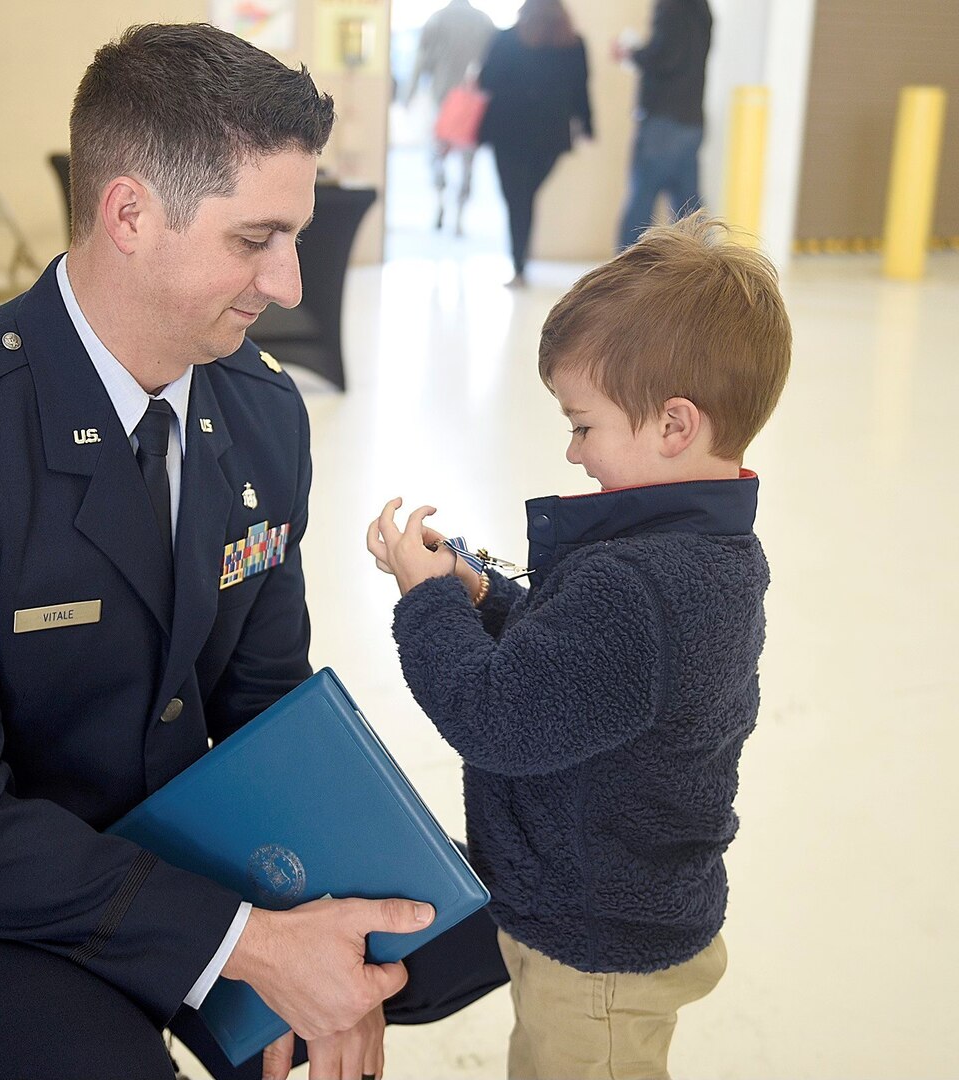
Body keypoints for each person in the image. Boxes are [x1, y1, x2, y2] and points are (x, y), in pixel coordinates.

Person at [0, 23, 506, 1080]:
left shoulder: (262, 415)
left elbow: (264, 705)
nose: (291, 284)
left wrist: (333, 959)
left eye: (296, 237)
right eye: (254, 240)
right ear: (129, 214)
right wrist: (256, 947)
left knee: (473, 933)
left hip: (155, 830)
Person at [367, 213, 791, 1079]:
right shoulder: (707, 553)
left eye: (584, 423)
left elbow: (499, 715)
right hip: (617, 912)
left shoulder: (636, 584)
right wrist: (481, 593)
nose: (572, 448)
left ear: (675, 425)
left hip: (595, 954)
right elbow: (577, 669)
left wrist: (425, 603)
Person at [477, 0, 593, 286]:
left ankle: (519, 265)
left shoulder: (507, 39)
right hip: (549, 138)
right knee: (525, 197)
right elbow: (581, 90)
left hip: (507, 134)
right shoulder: (573, 44)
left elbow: (485, 81)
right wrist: (588, 127)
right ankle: (519, 264)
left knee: (517, 199)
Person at [613, 0, 713, 250]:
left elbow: (666, 56)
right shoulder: (701, 9)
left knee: (641, 201)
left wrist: (632, 53)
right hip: (691, 120)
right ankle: (707, 274)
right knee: (688, 209)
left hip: (663, 122)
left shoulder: (672, 9)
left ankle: (625, 278)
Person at [404, 0, 496, 234]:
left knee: (437, 155)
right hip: (472, 104)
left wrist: (409, 93)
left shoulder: (437, 19)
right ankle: (459, 217)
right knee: (468, 162)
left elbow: (421, 60)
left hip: (442, 100)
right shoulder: (484, 22)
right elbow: (495, 64)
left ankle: (441, 199)